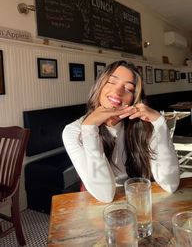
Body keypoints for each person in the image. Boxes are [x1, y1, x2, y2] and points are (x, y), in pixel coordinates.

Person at [62, 60, 180, 202]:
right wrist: (89, 129)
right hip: (98, 205)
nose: (118, 92)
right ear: (99, 86)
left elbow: (170, 184)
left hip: (141, 198)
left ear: (133, 99)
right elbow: (105, 195)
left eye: (129, 88)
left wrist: (160, 124)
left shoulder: (144, 125)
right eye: (111, 82)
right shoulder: (74, 131)